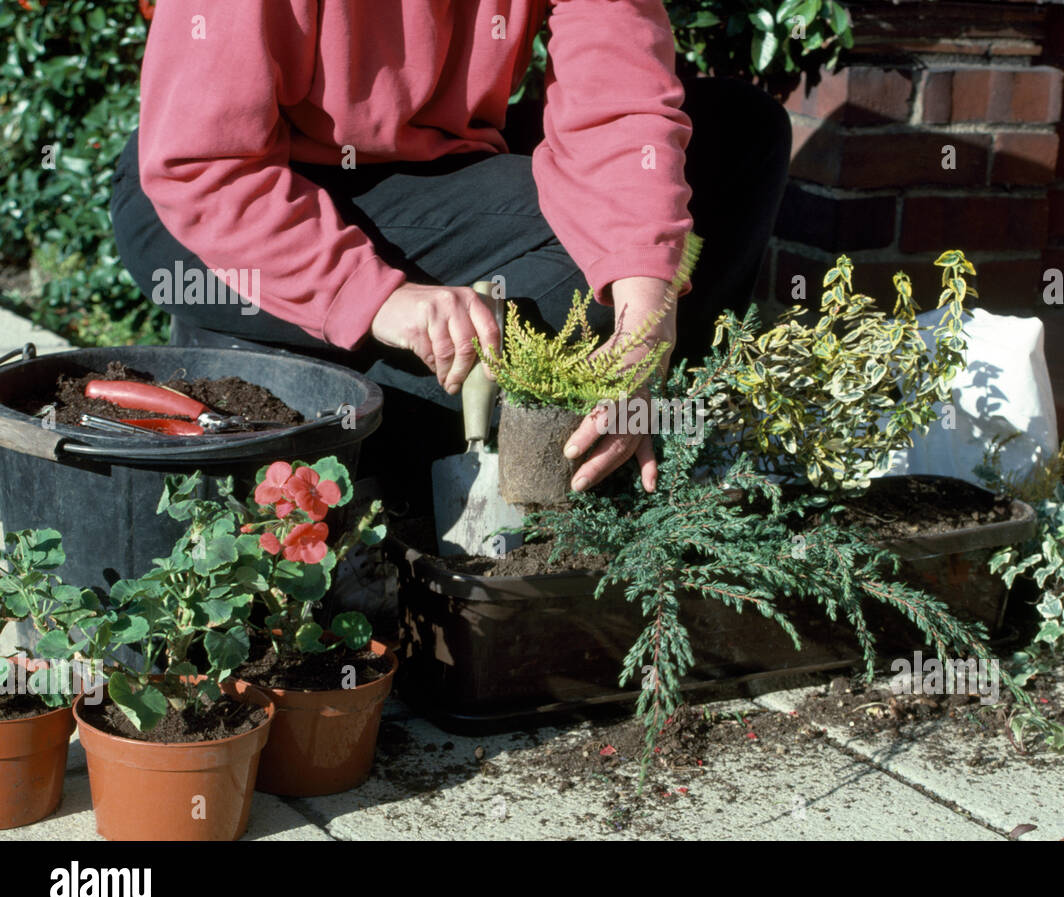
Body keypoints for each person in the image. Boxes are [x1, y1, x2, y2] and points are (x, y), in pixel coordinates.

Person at [111, 0, 791, 516]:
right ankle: (406, 479)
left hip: (430, 170)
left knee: (737, 139)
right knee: (575, 257)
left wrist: (648, 316)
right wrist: (373, 297)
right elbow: (199, 163)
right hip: (215, 193)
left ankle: (572, 453)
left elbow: (621, 100)